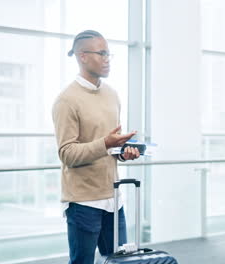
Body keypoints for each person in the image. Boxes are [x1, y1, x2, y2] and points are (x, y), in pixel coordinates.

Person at [52, 30, 141, 264]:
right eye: (102, 53)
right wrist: (105, 143)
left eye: (108, 53)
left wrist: (124, 152)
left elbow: (110, 146)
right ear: (82, 56)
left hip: (113, 198)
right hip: (83, 202)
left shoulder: (112, 95)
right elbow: (67, 154)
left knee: (121, 262)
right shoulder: (66, 100)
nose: (107, 58)